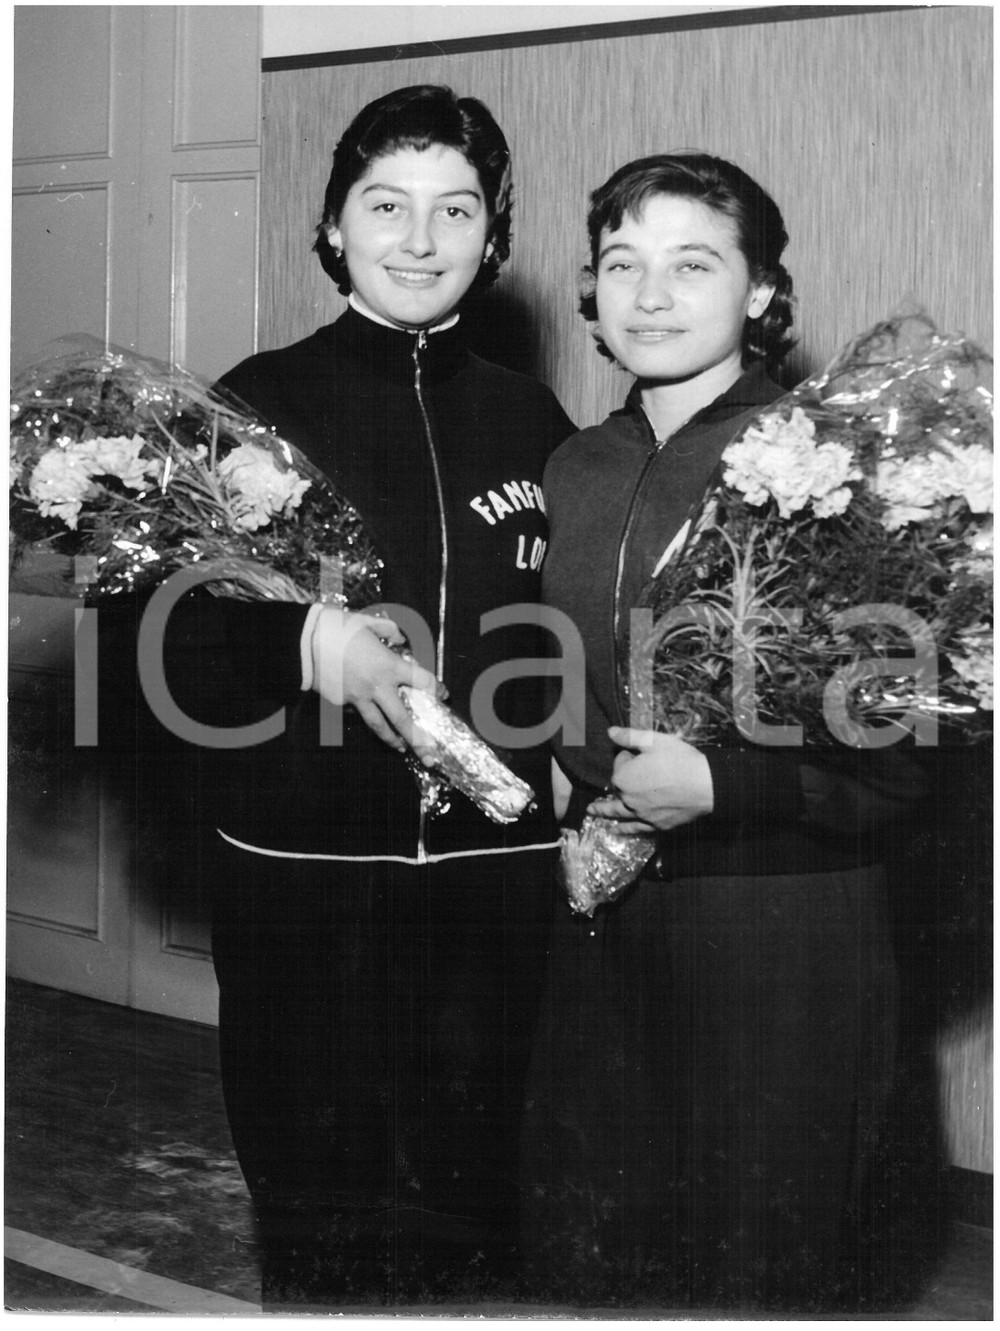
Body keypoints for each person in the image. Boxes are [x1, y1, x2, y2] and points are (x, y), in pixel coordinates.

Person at [168, 85, 575, 1308]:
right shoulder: (254, 401)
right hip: (305, 885)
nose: (420, 238)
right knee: (319, 1217)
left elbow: (567, 631)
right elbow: (156, 629)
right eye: (386, 205)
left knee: (477, 1212)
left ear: (493, 238)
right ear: (334, 225)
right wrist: (307, 643)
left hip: (493, 890)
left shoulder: (531, 415)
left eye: (456, 209)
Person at [520, 153, 925, 1312]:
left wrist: (724, 787)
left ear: (760, 291)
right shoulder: (574, 464)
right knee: (606, 1256)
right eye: (621, 265)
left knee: (763, 1269)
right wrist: (561, 756)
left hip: (782, 920)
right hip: (607, 917)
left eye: (691, 265)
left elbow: (910, 759)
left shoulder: (829, 464)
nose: (649, 296)